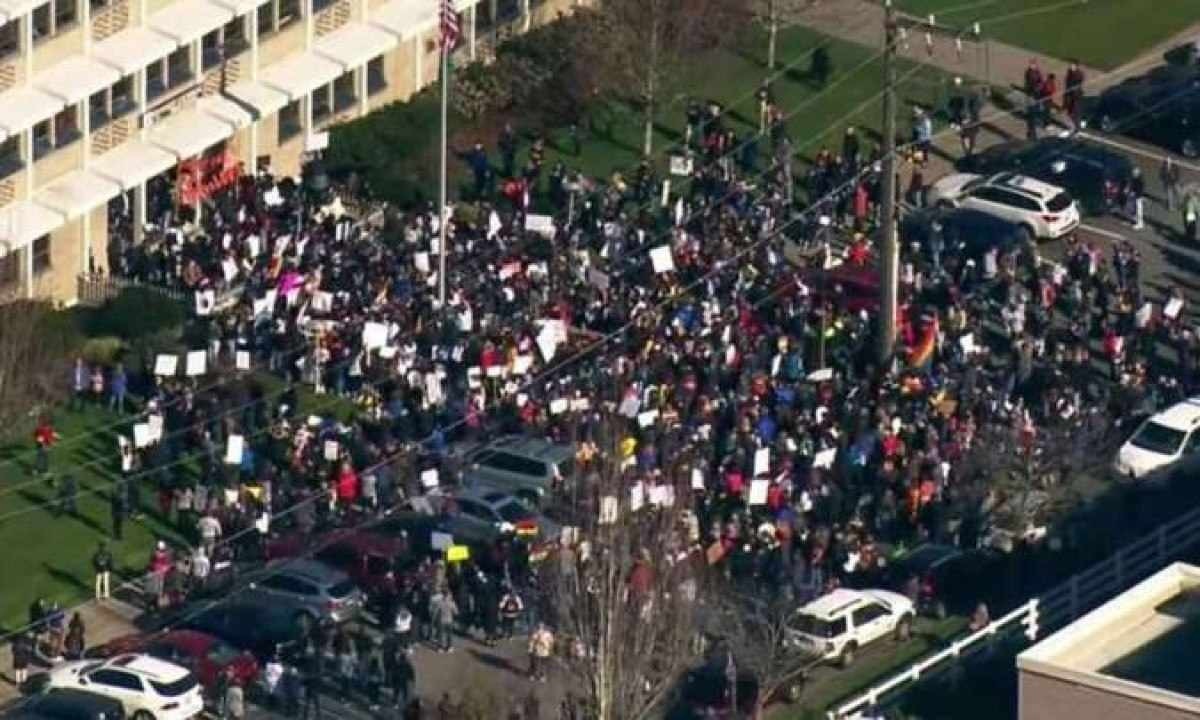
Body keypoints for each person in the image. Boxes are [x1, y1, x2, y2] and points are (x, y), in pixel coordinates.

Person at [430, 587, 457, 653]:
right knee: (449, 635)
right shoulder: (451, 603)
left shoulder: (440, 603)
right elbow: (456, 612)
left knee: (440, 635)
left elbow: (436, 612)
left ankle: (440, 648)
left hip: (441, 621)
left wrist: (433, 619)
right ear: (448, 595)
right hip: (449, 620)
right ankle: (450, 647)